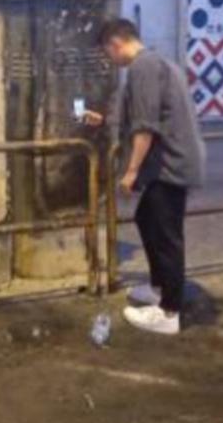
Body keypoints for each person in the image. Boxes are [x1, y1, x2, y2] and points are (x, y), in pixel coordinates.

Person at [83, 18, 205, 336]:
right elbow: (142, 114)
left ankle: (169, 312)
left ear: (116, 43)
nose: (111, 60)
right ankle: (159, 288)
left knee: (166, 235)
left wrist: (131, 171)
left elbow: (145, 126)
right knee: (147, 218)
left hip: (170, 165)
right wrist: (106, 118)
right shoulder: (159, 62)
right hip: (173, 162)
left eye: (108, 53)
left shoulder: (143, 68)